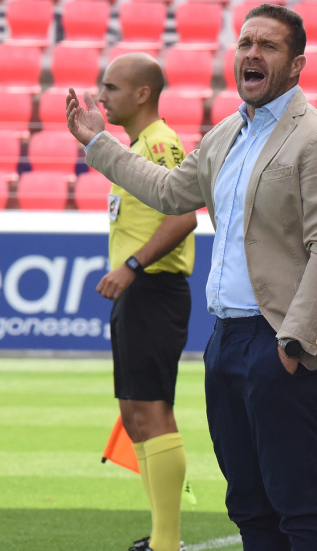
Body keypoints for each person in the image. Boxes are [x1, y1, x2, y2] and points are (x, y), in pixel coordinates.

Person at [67, 3, 317, 551]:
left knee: (298, 505)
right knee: (248, 506)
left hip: (278, 340)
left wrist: (293, 342)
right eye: (245, 44)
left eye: (268, 46)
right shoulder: (226, 134)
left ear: (296, 65)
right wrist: (100, 144)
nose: (252, 54)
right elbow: (170, 193)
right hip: (225, 340)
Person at [92, 53, 197, 551]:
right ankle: (160, 535)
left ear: (141, 94)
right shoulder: (136, 145)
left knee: (152, 411)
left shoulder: (161, 143)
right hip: (140, 292)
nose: (101, 96)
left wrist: (131, 267)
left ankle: (166, 542)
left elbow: (183, 217)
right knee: (134, 412)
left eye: (110, 87)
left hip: (154, 289)